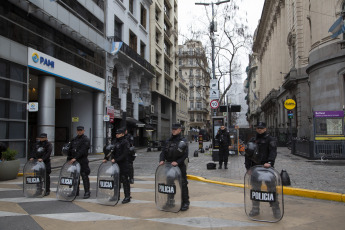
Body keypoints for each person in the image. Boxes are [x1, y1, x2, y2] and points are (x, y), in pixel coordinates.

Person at [244, 121, 280, 218]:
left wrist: (270, 162)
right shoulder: (252, 139)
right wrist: (248, 168)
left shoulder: (270, 139)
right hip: (255, 168)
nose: (259, 130)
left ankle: (276, 209)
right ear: (256, 129)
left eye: (261, 128)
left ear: (265, 129)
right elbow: (248, 154)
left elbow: (273, 152)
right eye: (258, 128)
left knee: (271, 190)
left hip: (267, 168)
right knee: (255, 190)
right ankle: (255, 209)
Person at [159, 123, 190, 211]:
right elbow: (163, 152)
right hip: (169, 166)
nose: (173, 130)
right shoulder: (168, 140)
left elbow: (185, 155)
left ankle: (185, 202)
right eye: (173, 129)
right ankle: (170, 202)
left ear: (180, 130)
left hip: (179, 166)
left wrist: (177, 162)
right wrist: (161, 160)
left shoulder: (183, 140)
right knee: (169, 185)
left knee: (183, 184)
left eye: (175, 129)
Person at [103, 128, 131, 204]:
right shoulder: (114, 141)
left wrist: (116, 159)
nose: (117, 135)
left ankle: (127, 196)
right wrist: (106, 158)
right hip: (115, 164)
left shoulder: (125, 142)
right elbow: (110, 151)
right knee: (116, 180)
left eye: (118, 133)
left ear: (122, 134)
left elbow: (125, 154)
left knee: (125, 180)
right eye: (116, 134)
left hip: (123, 164)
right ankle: (116, 196)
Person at [67, 126, 91, 199]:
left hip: (82, 160)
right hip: (75, 161)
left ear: (83, 131)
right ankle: (75, 191)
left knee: (84, 176)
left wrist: (75, 158)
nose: (79, 132)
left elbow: (83, 150)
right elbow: (70, 149)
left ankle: (87, 192)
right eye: (78, 130)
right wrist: (69, 159)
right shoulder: (74, 139)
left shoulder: (85, 139)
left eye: (81, 130)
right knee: (75, 176)